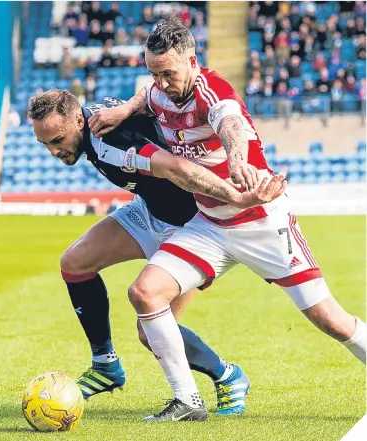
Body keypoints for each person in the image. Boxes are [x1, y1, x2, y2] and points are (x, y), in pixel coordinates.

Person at [88, 18, 367, 422]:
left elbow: (231, 123)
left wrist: (237, 160)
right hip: (211, 226)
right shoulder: (161, 89)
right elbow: (147, 97)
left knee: (331, 321)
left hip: (261, 221)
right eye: (155, 73)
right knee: (145, 293)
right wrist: (124, 109)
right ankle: (187, 401)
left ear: (192, 61)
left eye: (169, 73)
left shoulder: (211, 91)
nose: (162, 82)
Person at [27, 90, 286, 414]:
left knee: (149, 330)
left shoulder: (111, 140)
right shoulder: (96, 123)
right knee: (75, 263)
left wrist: (234, 196)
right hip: (150, 212)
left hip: (196, 227)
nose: (53, 151)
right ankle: (105, 364)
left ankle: (228, 376)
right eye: (45, 144)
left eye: (57, 140)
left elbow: (178, 168)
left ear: (79, 120)